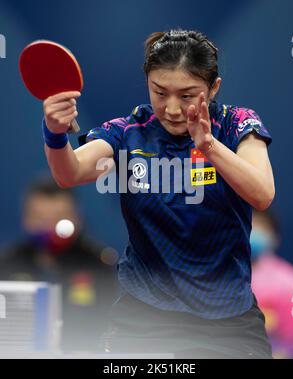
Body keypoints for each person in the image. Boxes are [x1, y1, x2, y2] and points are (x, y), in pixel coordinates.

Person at [41, 29, 275, 358]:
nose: (173, 108)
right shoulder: (127, 133)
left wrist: (209, 147)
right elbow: (70, 173)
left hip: (227, 319)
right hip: (144, 316)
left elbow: (262, 194)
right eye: (160, 92)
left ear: (214, 88)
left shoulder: (237, 125)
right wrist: (54, 134)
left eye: (188, 95)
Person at [0, 177, 118, 353]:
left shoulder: (100, 265)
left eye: (58, 219)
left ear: (77, 219)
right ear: (25, 219)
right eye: (39, 219)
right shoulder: (6, 263)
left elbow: (112, 329)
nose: (48, 228)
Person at [251, 210, 293, 359]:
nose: (253, 233)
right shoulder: (216, 275)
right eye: (250, 226)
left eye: (261, 227)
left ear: (275, 237)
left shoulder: (290, 282)